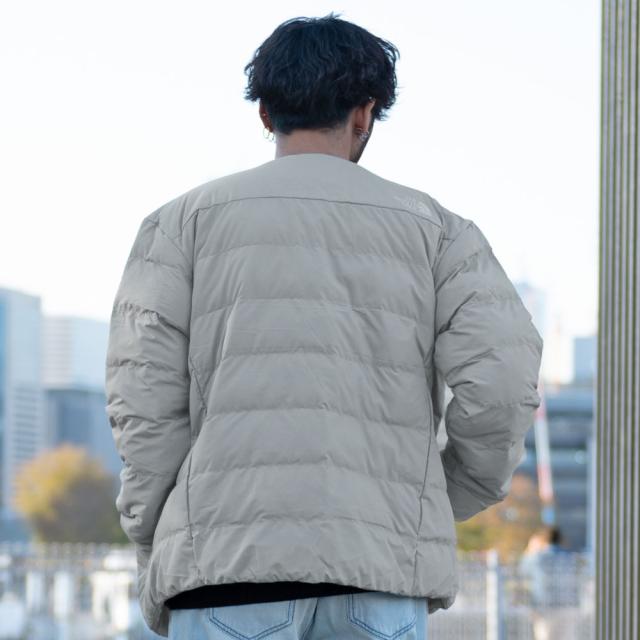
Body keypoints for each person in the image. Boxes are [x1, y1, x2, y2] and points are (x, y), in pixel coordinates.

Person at [105, 11, 544, 640]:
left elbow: (142, 402)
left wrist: (159, 527)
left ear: (265, 113)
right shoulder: (442, 233)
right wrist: (428, 500)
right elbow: (503, 385)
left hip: (224, 570)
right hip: (379, 578)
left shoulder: (178, 227)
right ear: (365, 114)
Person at [519, 526, 579, 640]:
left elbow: (522, 570)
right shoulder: (570, 557)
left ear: (543, 540)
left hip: (545, 608)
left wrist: (531, 548)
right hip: (568, 607)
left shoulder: (537, 558)